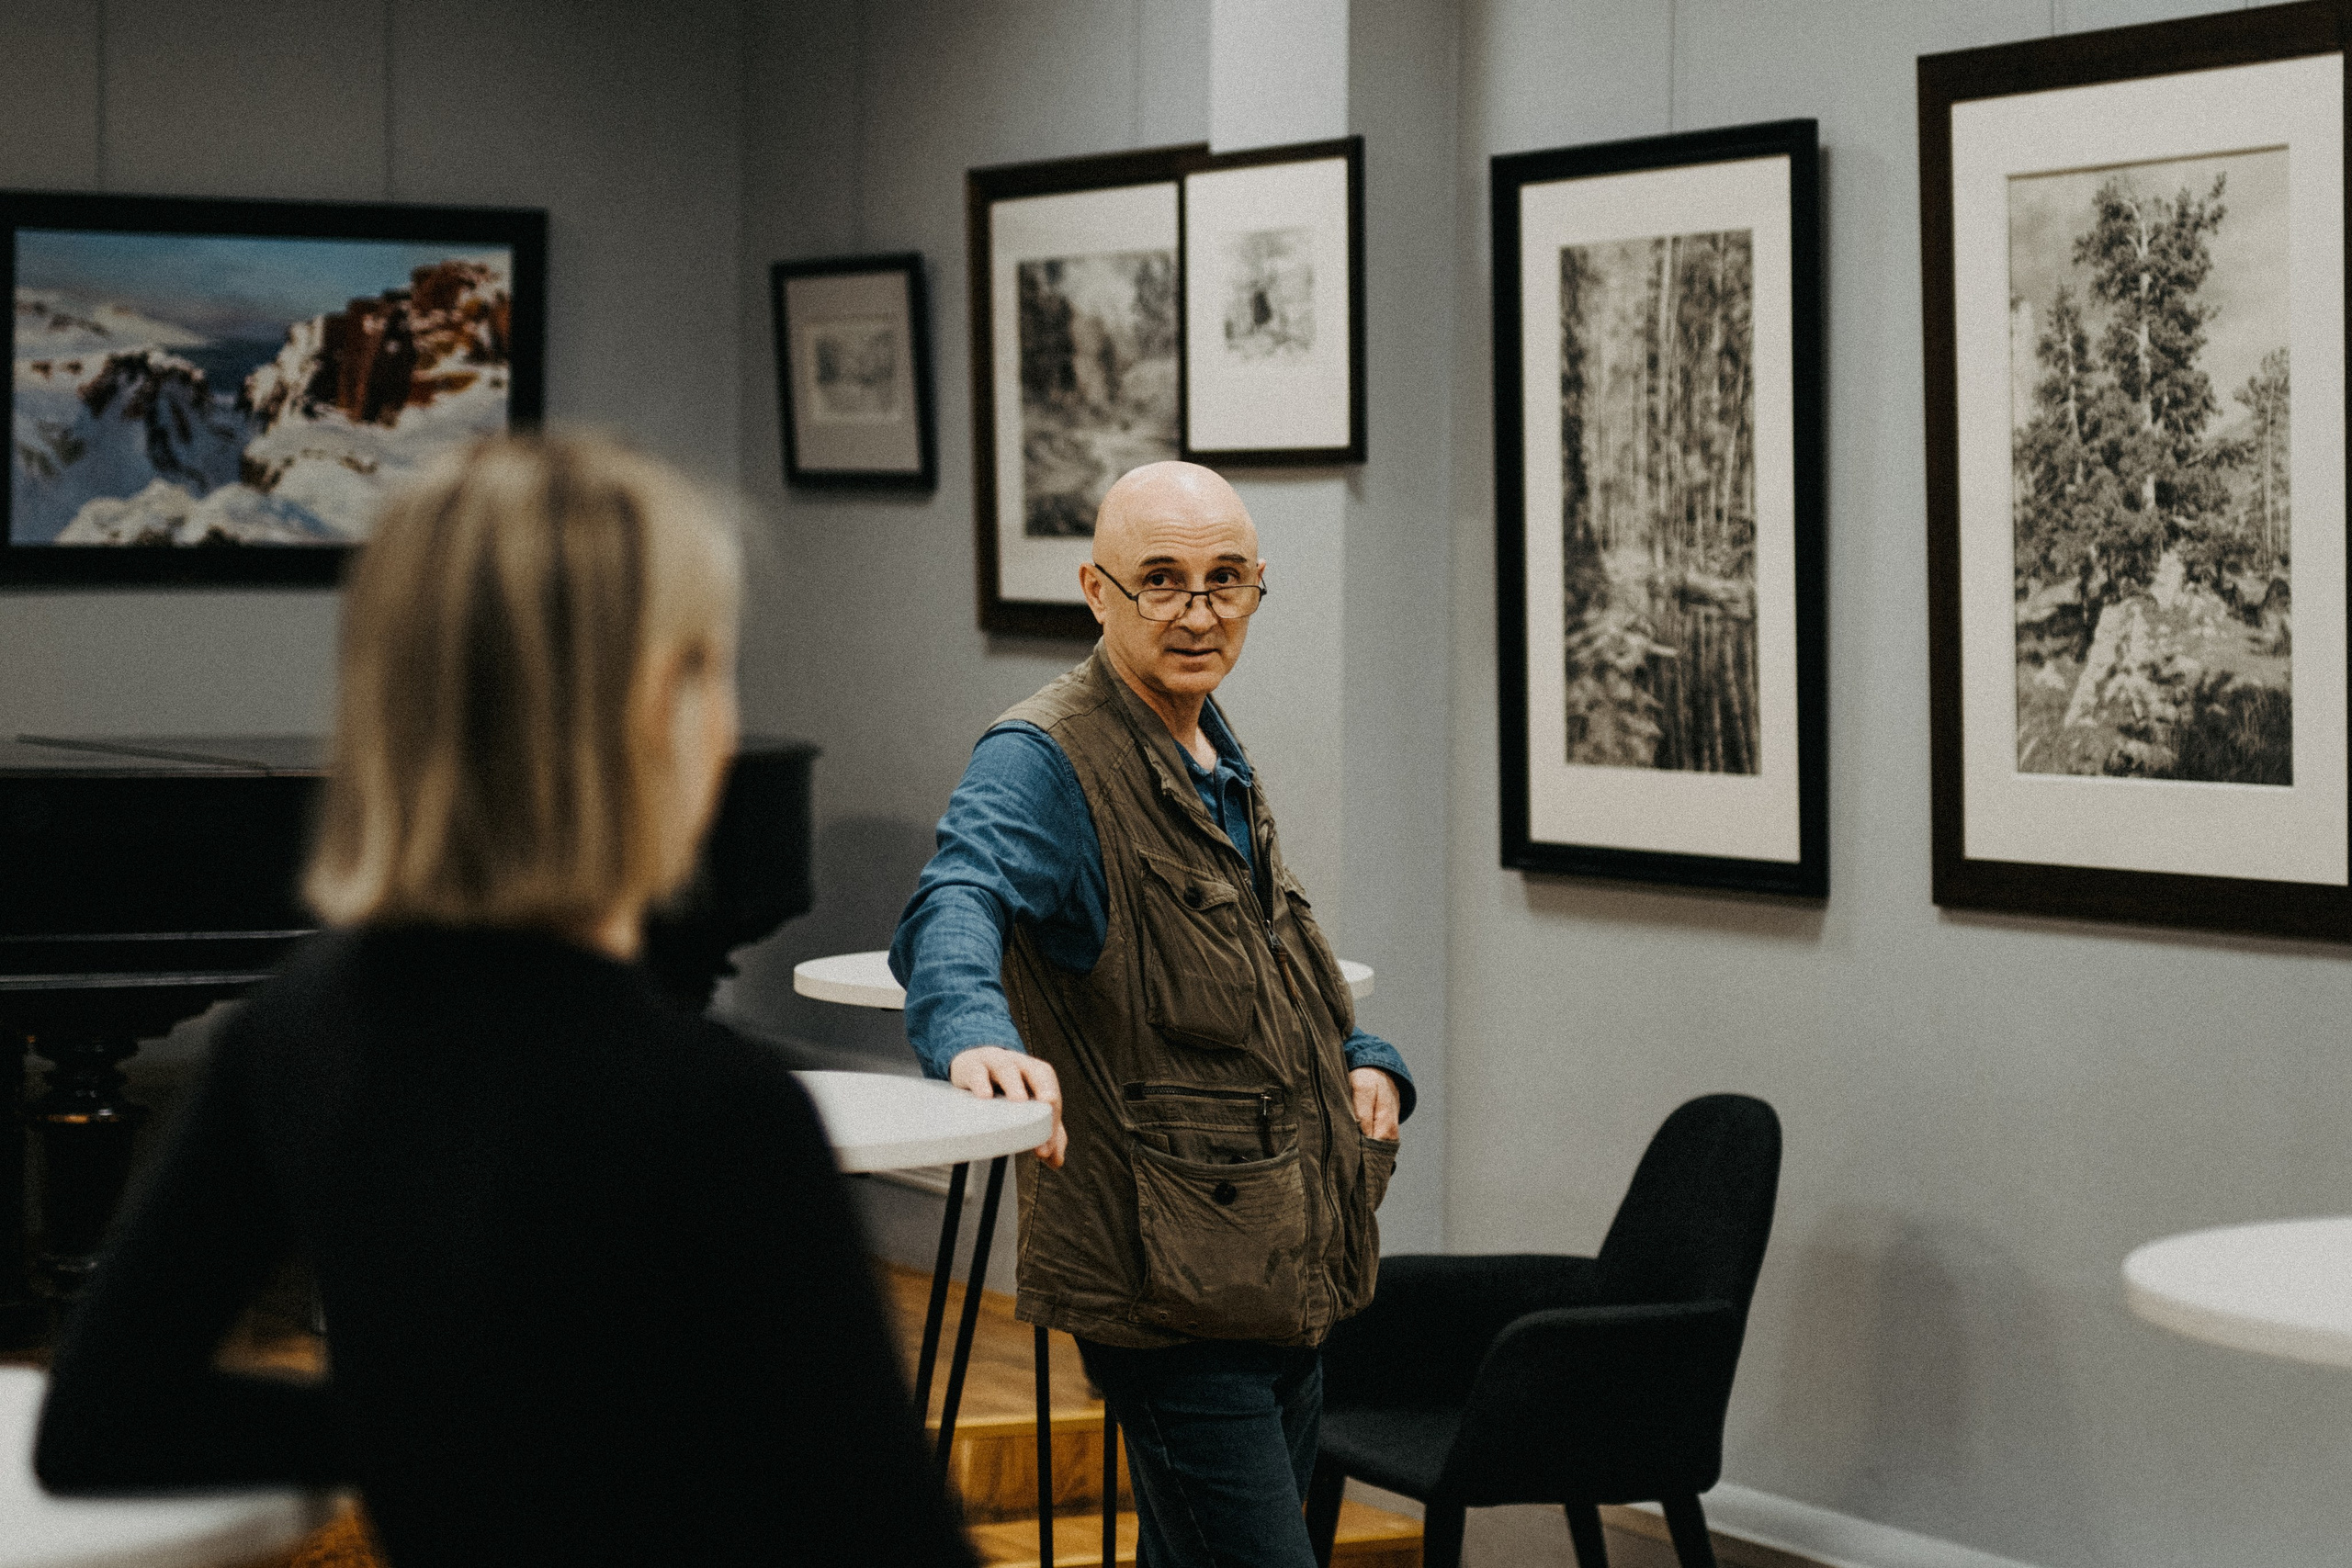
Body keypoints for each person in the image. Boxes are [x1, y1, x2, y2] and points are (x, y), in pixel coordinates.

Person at [37, 434, 975, 1568]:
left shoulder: (301, 1025)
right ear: (649, 711)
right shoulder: (716, 1111)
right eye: (711, 669)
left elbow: (101, 1422)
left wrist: (424, 1434)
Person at [890, 461, 1412, 1568]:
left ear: (1259, 587)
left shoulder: (1210, 744)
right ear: (1096, 590)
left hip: (1282, 1270)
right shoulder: (1048, 756)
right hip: (1171, 1294)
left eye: (1225, 582)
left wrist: (1363, 1055)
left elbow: (1277, 963)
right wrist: (974, 1032)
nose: (1197, 613)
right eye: (1161, 582)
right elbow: (955, 895)